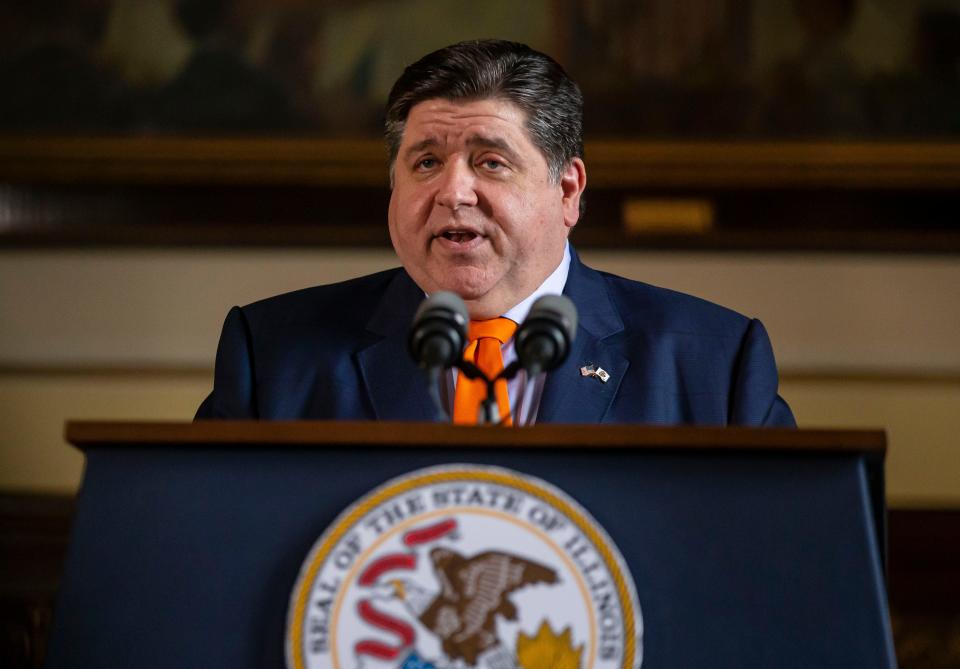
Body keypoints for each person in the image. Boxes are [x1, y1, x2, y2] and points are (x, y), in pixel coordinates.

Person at [196, 39, 795, 427]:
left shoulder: (713, 365)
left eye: (491, 162)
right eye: (425, 162)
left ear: (567, 191)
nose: (453, 192)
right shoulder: (272, 357)